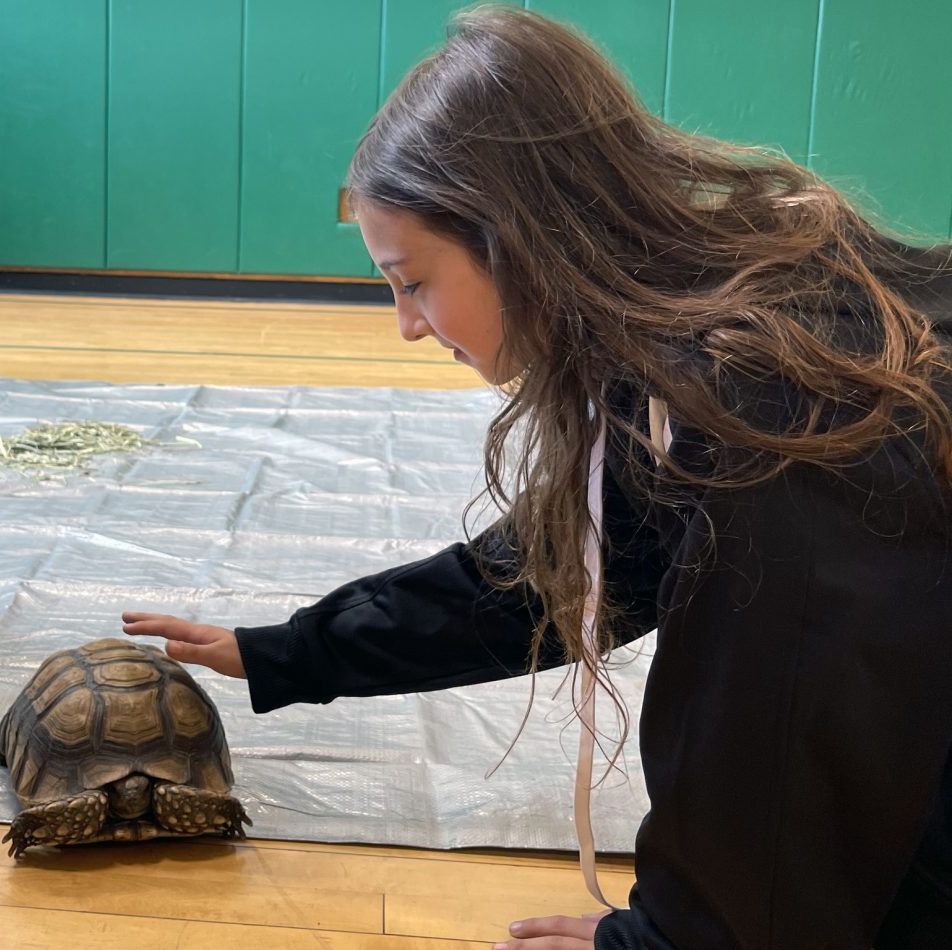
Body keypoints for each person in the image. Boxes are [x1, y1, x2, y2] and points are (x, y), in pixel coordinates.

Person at [123, 6, 952, 948]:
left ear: (514, 239)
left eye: (413, 281)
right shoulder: (681, 355)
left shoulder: (764, 404)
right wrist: (292, 650)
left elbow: (786, 748)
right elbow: (545, 577)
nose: (408, 324)